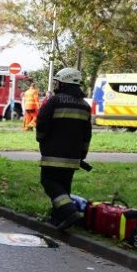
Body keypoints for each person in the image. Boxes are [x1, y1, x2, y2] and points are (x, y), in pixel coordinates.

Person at [36, 67, 92, 230]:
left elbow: (42, 122)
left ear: (64, 83)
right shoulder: (84, 105)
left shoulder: (55, 100)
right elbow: (87, 134)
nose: (55, 85)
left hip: (53, 153)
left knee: (48, 182)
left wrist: (41, 139)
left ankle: (69, 211)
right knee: (64, 186)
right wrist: (82, 154)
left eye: (57, 82)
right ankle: (58, 219)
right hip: (73, 156)